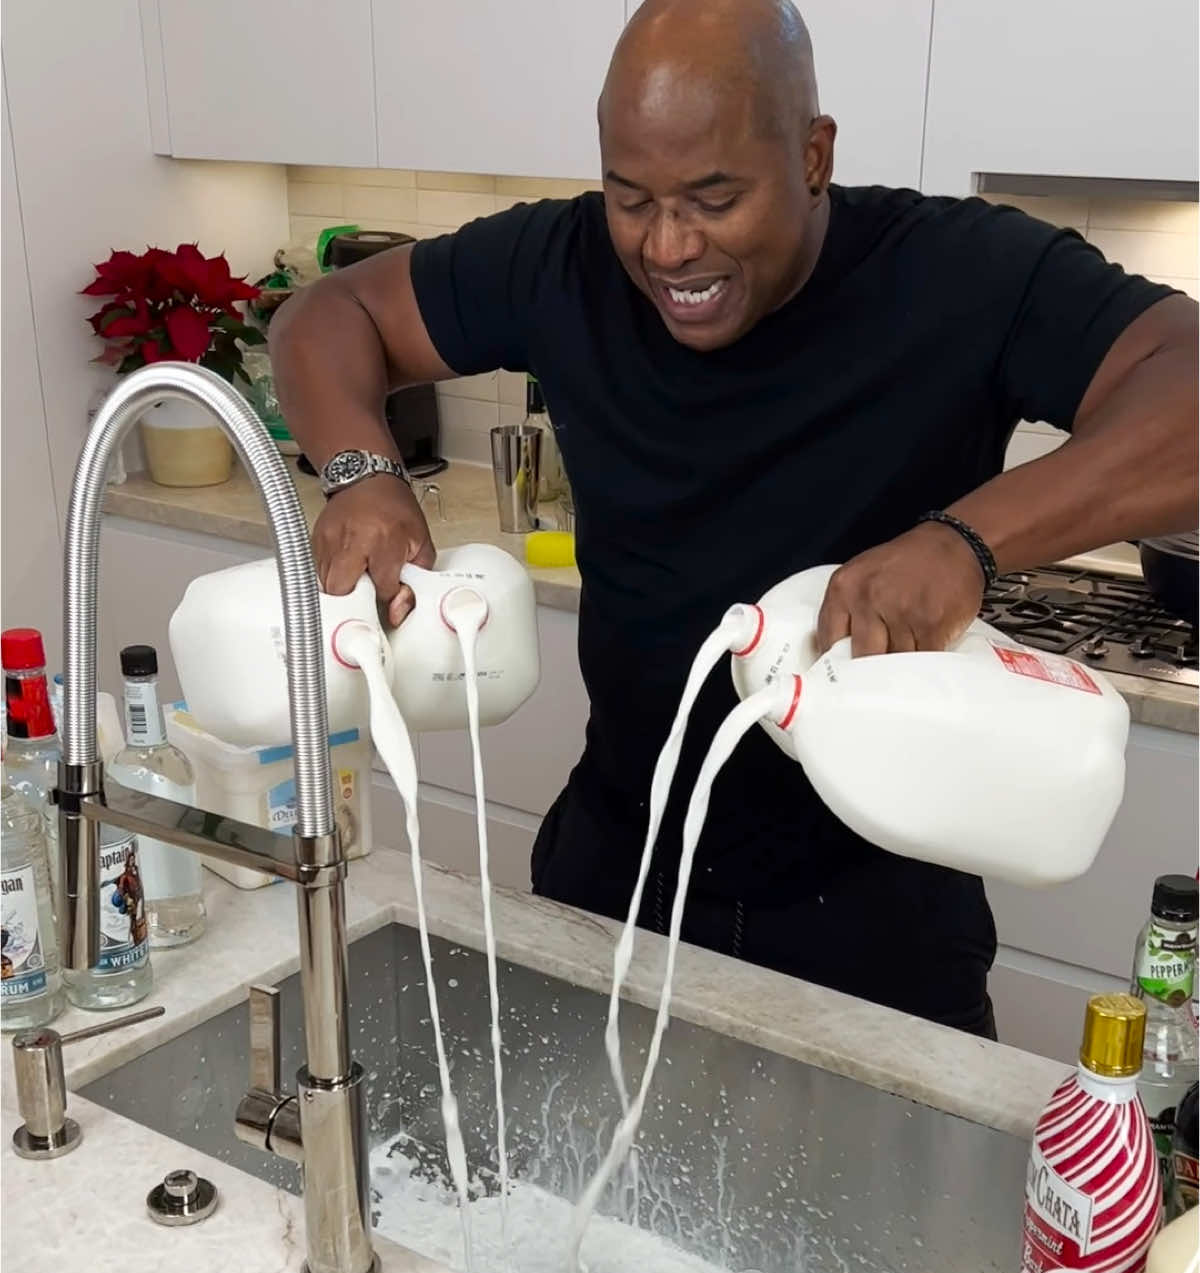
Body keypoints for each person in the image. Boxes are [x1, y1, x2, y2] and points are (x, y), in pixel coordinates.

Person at [270, 0, 1198, 1036]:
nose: (668, 248)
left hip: (877, 917)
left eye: (714, 199)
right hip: (616, 867)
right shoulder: (560, 263)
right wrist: (360, 470)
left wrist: (967, 543)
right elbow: (327, 314)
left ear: (813, 156)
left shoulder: (960, 272)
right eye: (632, 199)